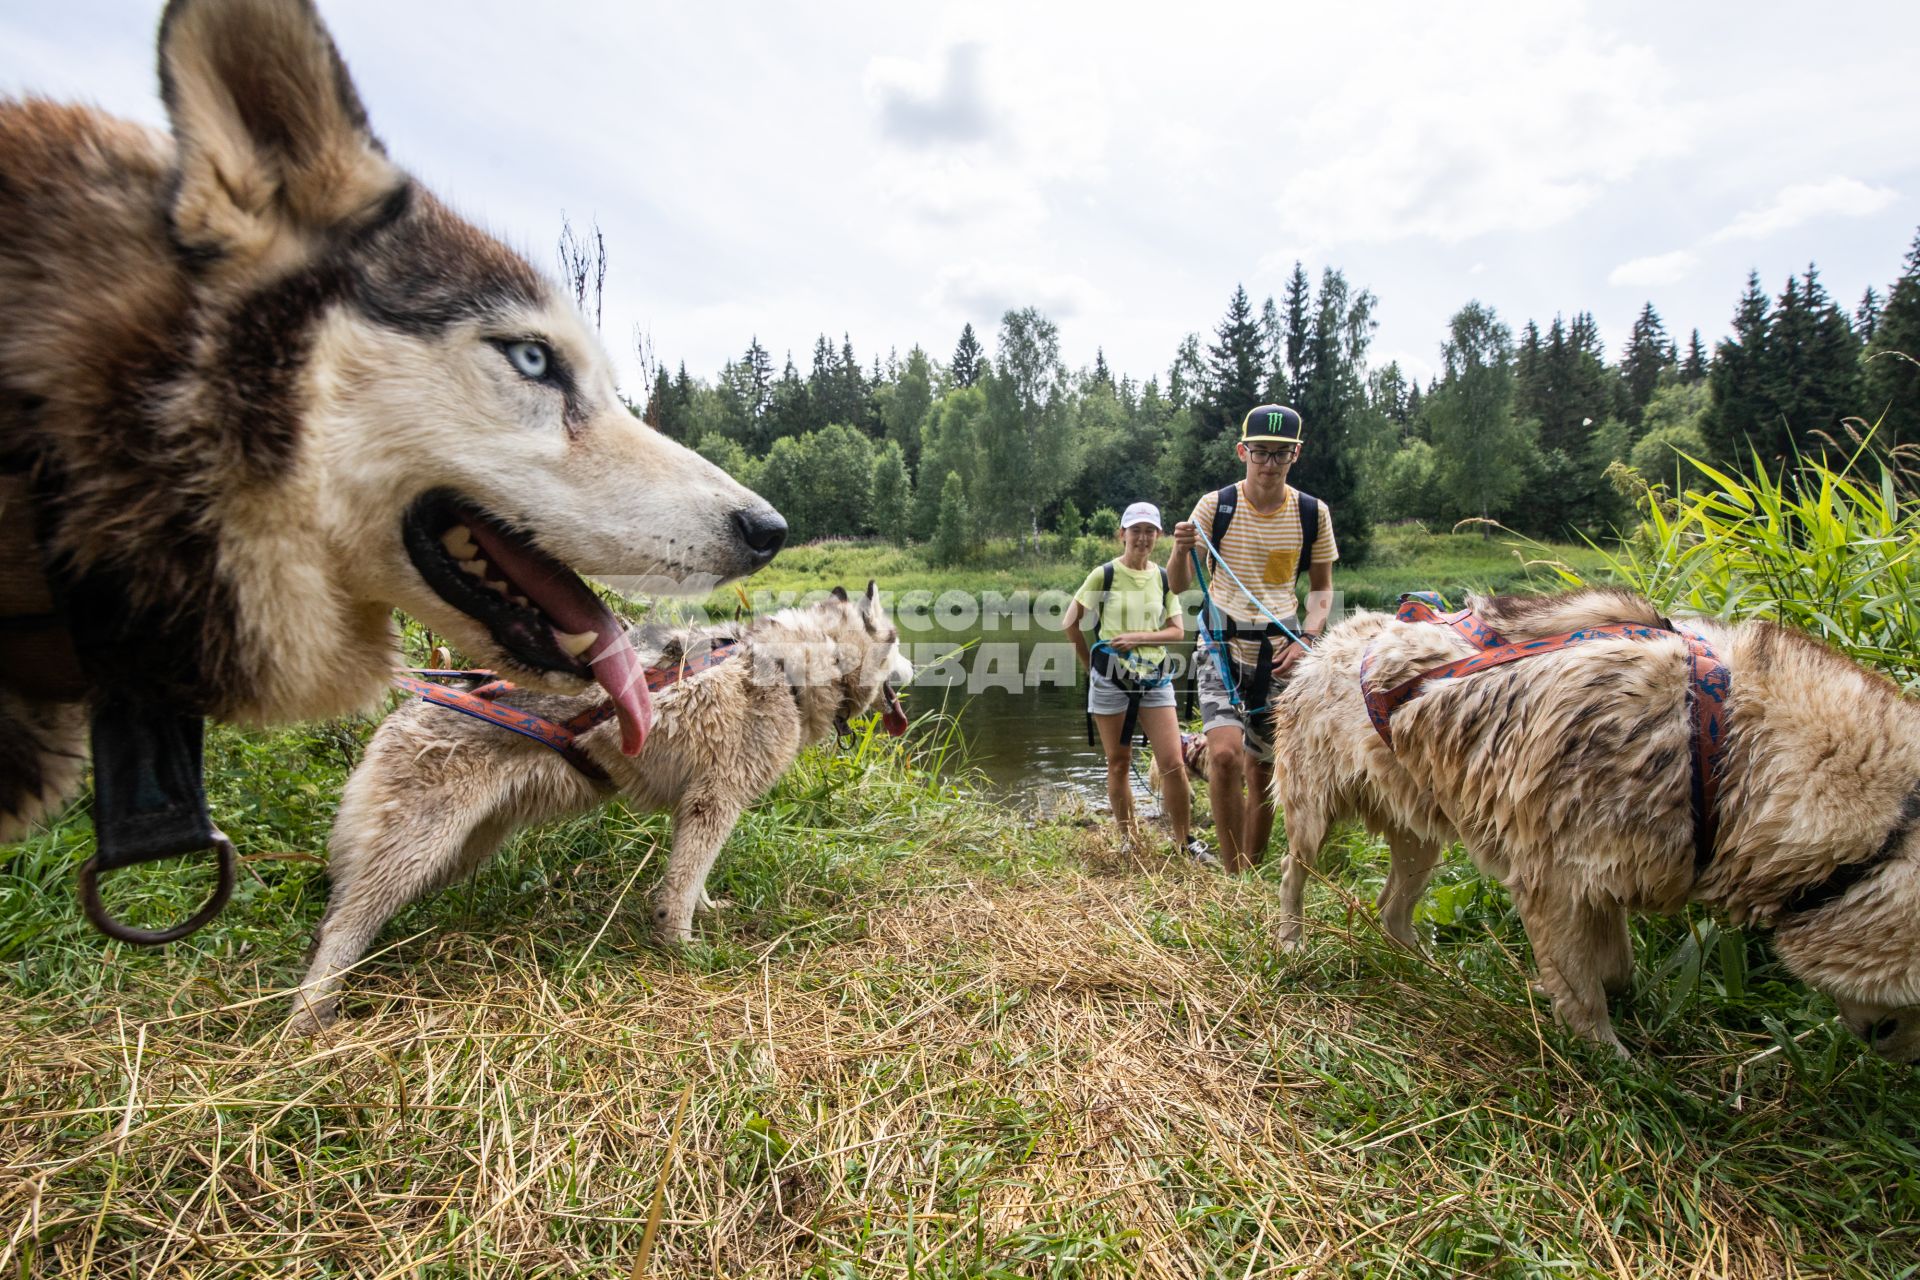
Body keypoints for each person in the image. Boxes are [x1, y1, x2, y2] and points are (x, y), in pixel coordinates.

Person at [1167, 405, 1337, 873]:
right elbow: (1178, 584)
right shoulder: (1215, 506)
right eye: (1260, 452)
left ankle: (1250, 871)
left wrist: (1307, 638)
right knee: (1223, 756)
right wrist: (1181, 549)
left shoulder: (1311, 513)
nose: (1269, 464)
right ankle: (1232, 873)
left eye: (1280, 455)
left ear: (1295, 456)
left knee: (1263, 769)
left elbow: (1321, 587)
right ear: (1242, 451)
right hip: (1220, 648)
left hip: (1280, 653)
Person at [1064, 502, 1202, 860]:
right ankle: (1128, 840)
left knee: (1172, 761)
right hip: (1111, 681)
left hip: (1155, 681)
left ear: (1158, 536)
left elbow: (1176, 630)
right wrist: (1090, 664)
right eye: (1135, 530)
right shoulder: (1104, 575)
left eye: (1149, 531)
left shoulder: (1164, 578)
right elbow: (1070, 621)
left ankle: (1184, 841)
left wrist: (1137, 637)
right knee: (1119, 762)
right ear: (1121, 534)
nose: (1142, 537)